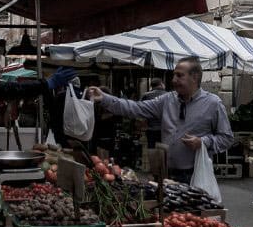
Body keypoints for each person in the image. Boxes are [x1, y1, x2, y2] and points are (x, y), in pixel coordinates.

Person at [87, 57, 234, 184]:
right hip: (167, 173)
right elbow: (136, 108)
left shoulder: (213, 104)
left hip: (196, 174)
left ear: (194, 77)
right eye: (174, 75)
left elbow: (226, 138)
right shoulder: (167, 100)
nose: (173, 80)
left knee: (193, 215)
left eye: (179, 76)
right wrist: (105, 99)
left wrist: (203, 142)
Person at [140, 78, 168, 148]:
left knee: (151, 148)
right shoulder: (168, 95)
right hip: (165, 128)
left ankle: (152, 158)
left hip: (151, 128)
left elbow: (141, 110)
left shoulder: (146, 95)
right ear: (161, 84)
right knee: (164, 148)